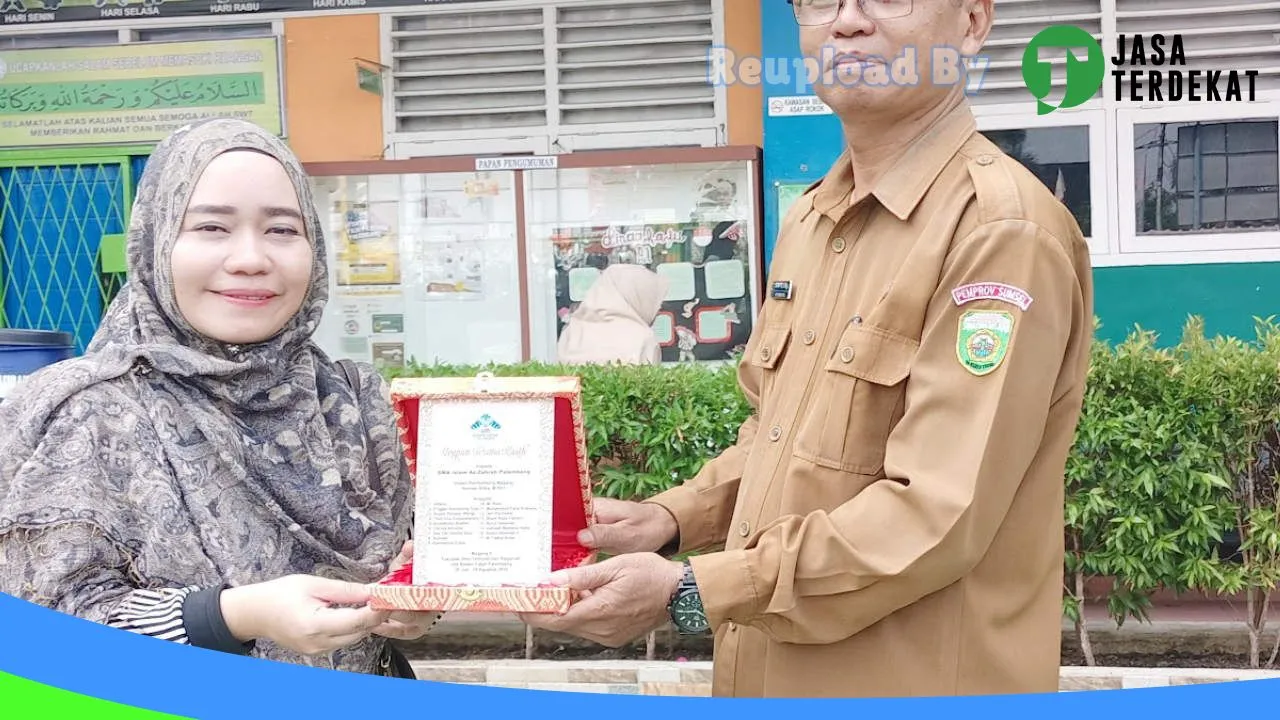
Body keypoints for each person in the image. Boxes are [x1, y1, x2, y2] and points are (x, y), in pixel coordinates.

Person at [520, 0, 1095, 698]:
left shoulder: (998, 232)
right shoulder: (813, 219)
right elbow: (781, 439)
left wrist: (693, 591)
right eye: (821, 0)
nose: (847, 22)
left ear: (972, 22)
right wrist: (672, 517)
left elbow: (937, 516)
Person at [0, 118, 439, 677]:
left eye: (283, 229)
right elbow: (43, 634)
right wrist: (230, 616)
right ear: (156, 244)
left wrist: (412, 608)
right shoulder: (87, 411)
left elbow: (409, 570)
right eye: (211, 228)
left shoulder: (353, 401)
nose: (251, 258)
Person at [556, 263, 669, 365]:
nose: (658, 309)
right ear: (638, 298)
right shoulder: (643, 338)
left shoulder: (571, 332)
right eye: (653, 300)